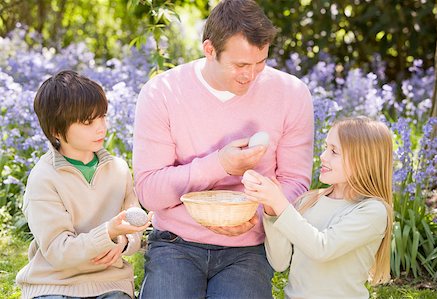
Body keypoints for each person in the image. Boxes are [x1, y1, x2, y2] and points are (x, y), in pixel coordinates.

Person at [132, 0, 314, 297]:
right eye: (240, 65)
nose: (251, 75)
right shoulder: (162, 93)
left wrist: (257, 213)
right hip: (176, 241)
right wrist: (221, 165)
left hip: (249, 247)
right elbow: (149, 192)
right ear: (209, 50)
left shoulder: (291, 94)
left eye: (261, 63)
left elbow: (296, 182)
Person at [16, 70, 151, 299]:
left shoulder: (118, 170)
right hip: (54, 284)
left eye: (102, 117)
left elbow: (134, 227)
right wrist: (107, 232)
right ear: (56, 131)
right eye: (88, 122)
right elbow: (58, 251)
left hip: (110, 283)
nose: (101, 127)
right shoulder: (43, 178)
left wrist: (123, 241)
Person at [242, 116, 393, 299]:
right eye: (325, 148)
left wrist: (280, 203)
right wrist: (271, 210)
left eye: (334, 151)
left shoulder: (372, 211)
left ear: (364, 160)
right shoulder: (311, 200)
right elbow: (280, 262)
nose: (323, 156)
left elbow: (322, 248)